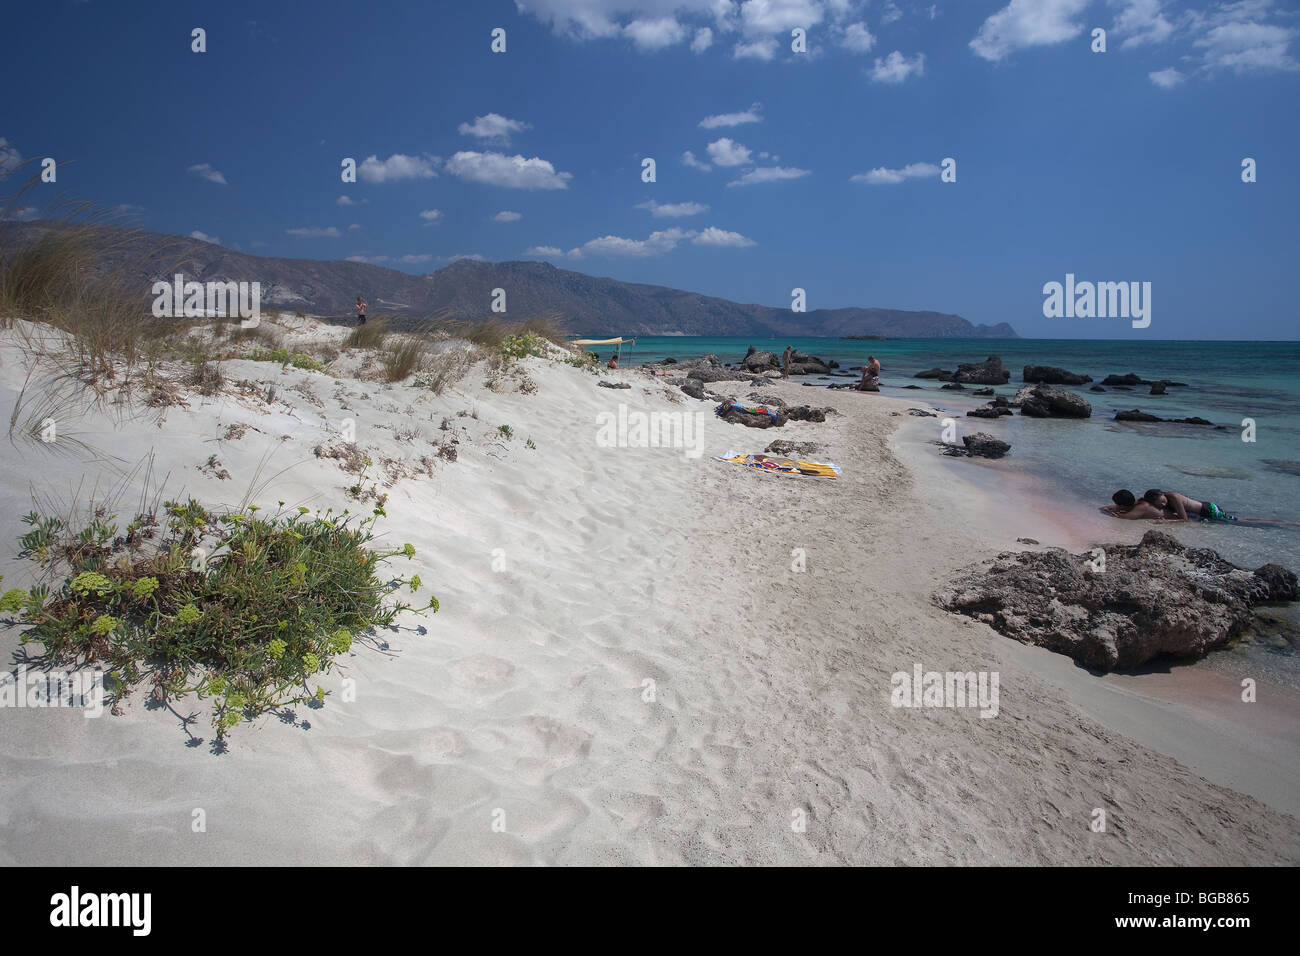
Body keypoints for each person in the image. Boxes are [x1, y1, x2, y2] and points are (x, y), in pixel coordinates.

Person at [1143, 488, 1237, 523]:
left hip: (1209, 510)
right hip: (1202, 511)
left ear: (1162, 494)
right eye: (1161, 504)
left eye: (1163, 500)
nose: (1164, 504)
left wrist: (1166, 521)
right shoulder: (1166, 499)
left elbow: (1184, 519)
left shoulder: (1174, 497)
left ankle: (1251, 523)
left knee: (1236, 520)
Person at [1100, 489, 1166, 519]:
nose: (1116, 506)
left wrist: (1113, 512)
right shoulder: (1134, 502)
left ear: (1121, 505)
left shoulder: (1142, 507)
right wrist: (1109, 510)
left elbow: (1124, 517)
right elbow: (1104, 508)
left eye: (1117, 504)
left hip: (1170, 517)